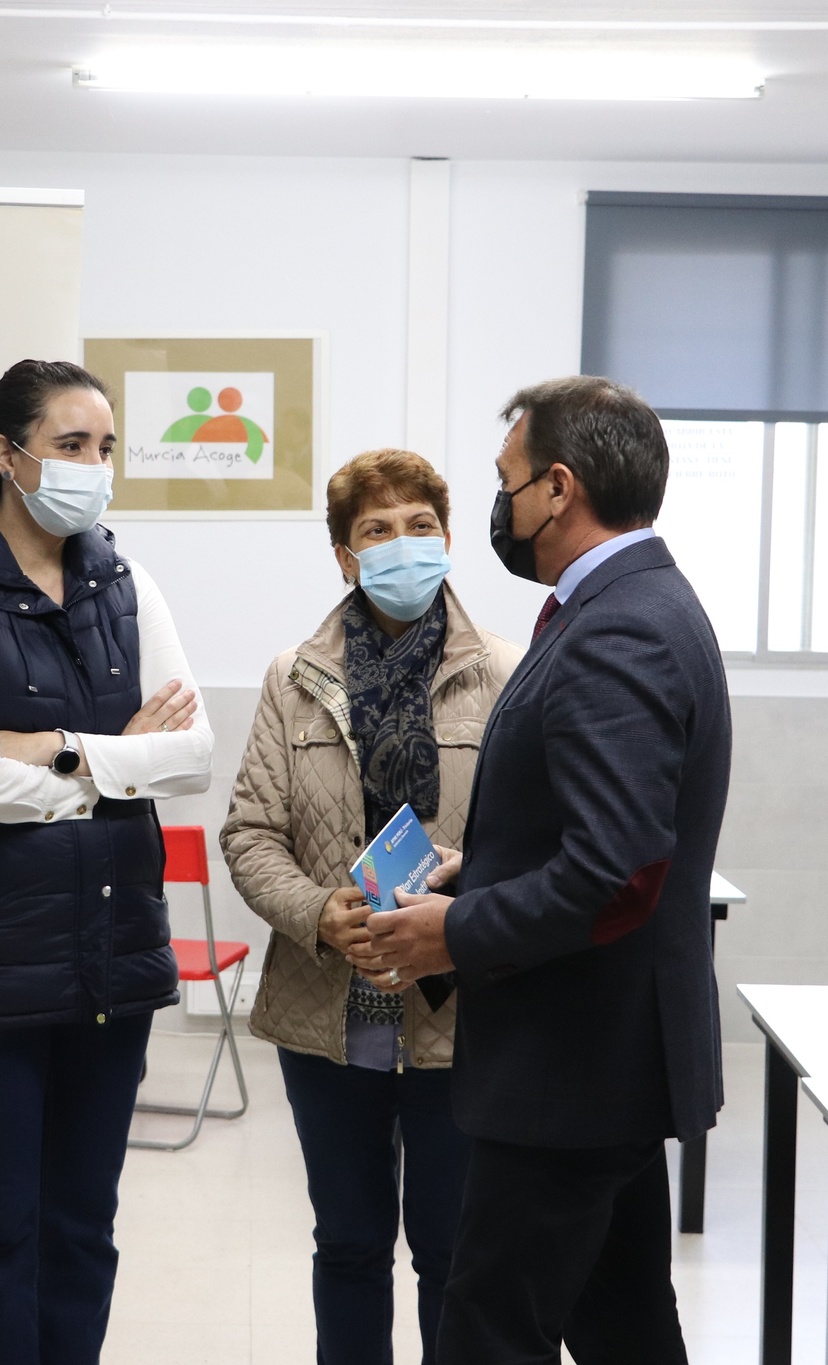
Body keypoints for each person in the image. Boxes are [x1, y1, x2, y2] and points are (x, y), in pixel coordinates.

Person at [351, 378, 732, 1365]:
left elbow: (617, 872)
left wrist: (455, 928)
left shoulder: (621, 627)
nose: (501, 504)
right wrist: (486, 865)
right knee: (622, 1324)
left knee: (488, 1331)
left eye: (505, 480)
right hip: (599, 1062)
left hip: (573, 1067)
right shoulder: (623, 602)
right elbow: (601, 829)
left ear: (556, 488)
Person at [0, 359, 214, 1365]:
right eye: (71, 446)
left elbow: (194, 756)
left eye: (104, 448)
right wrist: (119, 757)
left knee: (82, 1232)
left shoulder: (123, 578)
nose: (93, 468)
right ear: (5, 454)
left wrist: (61, 749)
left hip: (111, 962)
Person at [218, 449, 519, 1365]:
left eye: (419, 525)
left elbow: (536, 843)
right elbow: (248, 834)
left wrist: (464, 898)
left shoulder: (508, 672)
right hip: (330, 1009)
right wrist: (317, 911)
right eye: (375, 531)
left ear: (449, 539)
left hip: (459, 1008)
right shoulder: (292, 677)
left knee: (449, 1251)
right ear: (345, 557)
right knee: (347, 1246)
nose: (401, 545)